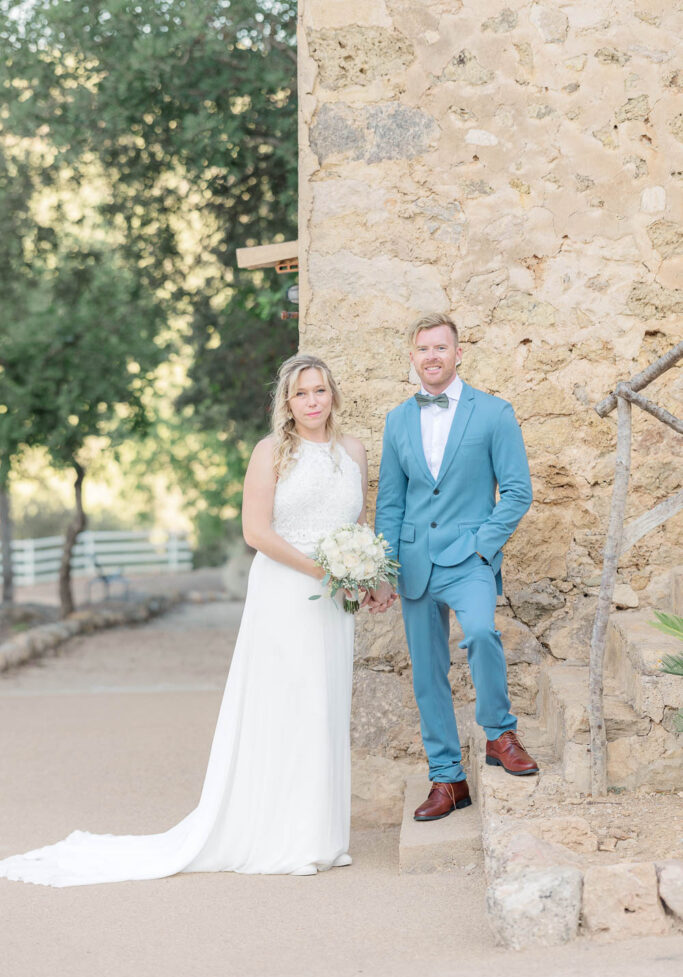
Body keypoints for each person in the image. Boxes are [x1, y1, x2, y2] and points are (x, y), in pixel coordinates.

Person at [0, 354, 368, 885]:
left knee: (326, 703)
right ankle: (289, 838)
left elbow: (356, 521)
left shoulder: (353, 450)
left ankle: (324, 838)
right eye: (301, 393)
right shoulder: (271, 453)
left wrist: (365, 573)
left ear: (333, 394)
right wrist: (322, 571)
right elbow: (256, 533)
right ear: (286, 404)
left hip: (336, 600)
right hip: (289, 591)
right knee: (292, 702)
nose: (312, 401)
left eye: (320, 391)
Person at [371, 312, 538, 823]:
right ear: (412, 357)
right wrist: (385, 566)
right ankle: (447, 779)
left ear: (458, 353)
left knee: (483, 634)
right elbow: (390, 503)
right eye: (423, 349)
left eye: (441, 348)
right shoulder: (398, 420)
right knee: (428, 674)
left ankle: (499, 733)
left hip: (470, 558)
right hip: (415, 559)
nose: (432, 357)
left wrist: (484, 548)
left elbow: (517, 492)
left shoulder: (494, 413)